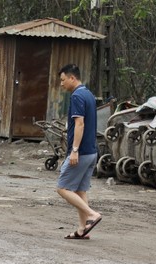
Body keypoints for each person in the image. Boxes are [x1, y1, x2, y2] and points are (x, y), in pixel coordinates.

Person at [56, 64, 103, 240]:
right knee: (81, 190)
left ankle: (92, 214)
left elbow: (80, 124)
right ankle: (82, 229)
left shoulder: (76, 96)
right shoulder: (88, 94)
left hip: (81, 152)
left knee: (62, 188)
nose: (61, 84)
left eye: (63, 80)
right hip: (91, 151)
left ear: (72, 78)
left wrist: (74, 150)